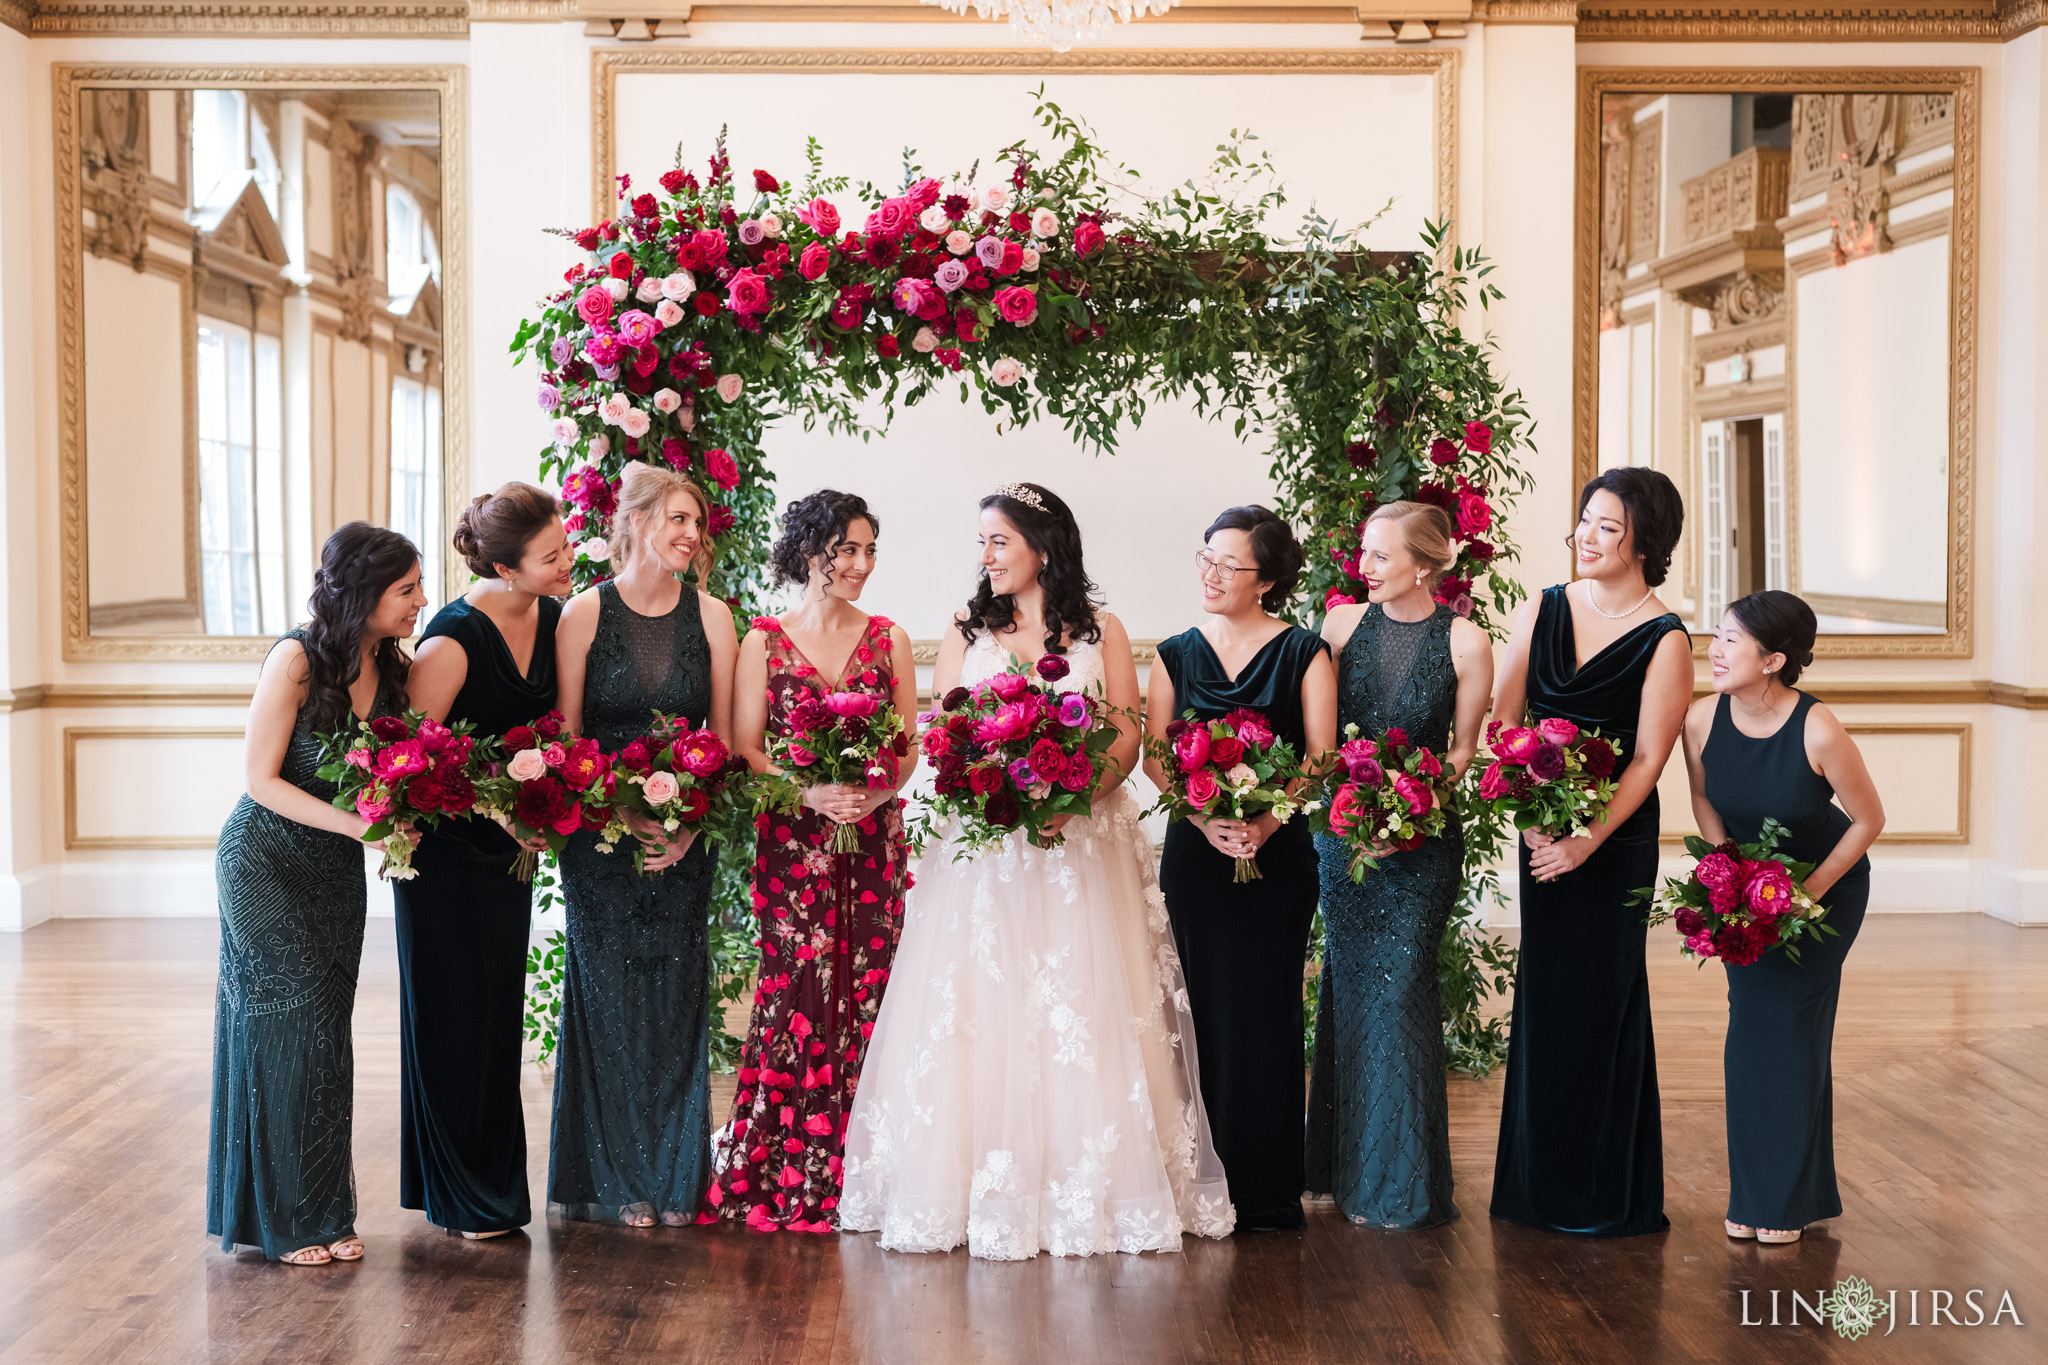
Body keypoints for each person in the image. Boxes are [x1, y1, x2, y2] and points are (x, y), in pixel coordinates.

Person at [841, 482, 1236, 1259]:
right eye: (981, 542)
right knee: (980, 1003)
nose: (984, 556)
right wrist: (989, 784)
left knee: (1084, 1002)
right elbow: (948, 729)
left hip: (1080, 848)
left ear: (1042, 547)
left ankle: (1095, 1184)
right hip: (987, 853)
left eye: (997, 541)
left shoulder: (1104, 631)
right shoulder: (966, 628)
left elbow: (1124, 737)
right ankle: (970, 1187)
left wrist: (1073, 793)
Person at [209, 523, 424, 1264]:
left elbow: (406, 771)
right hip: (263, 861)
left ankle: (326, 1210)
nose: (421, 601)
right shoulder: (297, 658)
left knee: (326, 1037)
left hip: (335, 871)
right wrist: (360, 827)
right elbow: (259, 780)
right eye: (407, 589)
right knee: (288, 1023)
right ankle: (286, 1221)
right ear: (364, 593)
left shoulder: (394, 671)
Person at [703, 489, 916, 1233]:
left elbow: (909, 744)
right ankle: (787, 1157)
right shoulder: (763, 641)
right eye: (846, 551)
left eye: (868, 551)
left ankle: (877, 1163)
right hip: (794, 846)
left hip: (873, 844)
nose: (861, 565)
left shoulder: (889, 637)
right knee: (797, 985)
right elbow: (743, 750)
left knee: (872, 985)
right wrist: (811, 791)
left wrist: (878, 789)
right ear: (808, 554)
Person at [1489, 466, 1692, 1238]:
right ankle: (1536, 1186)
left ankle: (1605, 1191)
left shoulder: (1666, 636)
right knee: (1545, 998)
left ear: (1646, 539)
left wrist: (1584, 837)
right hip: (1541, 830)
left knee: (1602, 1002)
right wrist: (1534, 818)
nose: (1588, 536)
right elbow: (1506, 722)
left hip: (1611, 842)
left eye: (1608, 525)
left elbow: (1646, 759)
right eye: (1584, 521)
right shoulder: (1543, 606)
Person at [548, 465, 738, 1227]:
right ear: (634, 523)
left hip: (686, 839)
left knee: (677, 993)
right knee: (612, 999)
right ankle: (622, 1176)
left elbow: (721, 740)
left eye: (696, 522)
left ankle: (675, 1174)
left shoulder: (716, 617)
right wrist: (621, 817)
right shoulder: (582, 615)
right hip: (602, 842)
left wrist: (690, 822)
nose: (691, 535)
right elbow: (566, 741)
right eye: (677, 520)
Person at [1146, 505, 1334, 1232]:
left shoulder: (1305, 652)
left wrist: (1263, 818)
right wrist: (1203, 817)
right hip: (1196, 855)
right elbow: (1159, 757)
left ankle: (1265, 1188)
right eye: (1206, 557)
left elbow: (1317, 756)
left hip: (1277, 853)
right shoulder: (1176, 651)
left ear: (1268, 579)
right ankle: (1198, 1180)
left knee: (1267, 1010)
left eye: (1229, 564)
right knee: (1195, 1009)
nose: (1211, 573)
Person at [1305, 502, 1493, 1229]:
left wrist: (1408, 809)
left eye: (1382, 556)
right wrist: (1355, 815)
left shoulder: (1468, 642)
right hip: (1344, 840)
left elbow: (1462, 749)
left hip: (1422, 847)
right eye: (1364, 552)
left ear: (1425, 563)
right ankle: (1338, 1169)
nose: (1366, 567)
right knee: (1351, 990)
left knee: (1401, 992)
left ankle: (1401, 1187)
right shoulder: (1341, 625)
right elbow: (1322, 740)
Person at [400, 481, 573, 1240]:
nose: (570, 560)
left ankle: (492, 1187)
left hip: (511, 856)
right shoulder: (450, 641)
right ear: (506, 568)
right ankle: (464, 1192)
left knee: (498, 1016)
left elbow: (563, 728)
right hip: (446, 858)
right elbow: (408, 768)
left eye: (565, 545)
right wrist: (504, 808)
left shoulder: (555, 614)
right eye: (553, 555)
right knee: (454, 1016)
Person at [1683, 590, 1883, 1246]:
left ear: (1772, 658)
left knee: (1791, 1028)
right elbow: (1704, 797)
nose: (1714, 650)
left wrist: (1808, 892)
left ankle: (1781, 1203)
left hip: (1823, 893)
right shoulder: (1700, 720)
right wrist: (1725, 869)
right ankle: (1776, 1194)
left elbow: (1869, 821)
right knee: (1750, 1035)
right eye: (1716, 635)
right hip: (1746, 895)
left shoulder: (1818, 726)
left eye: (1732, 640)